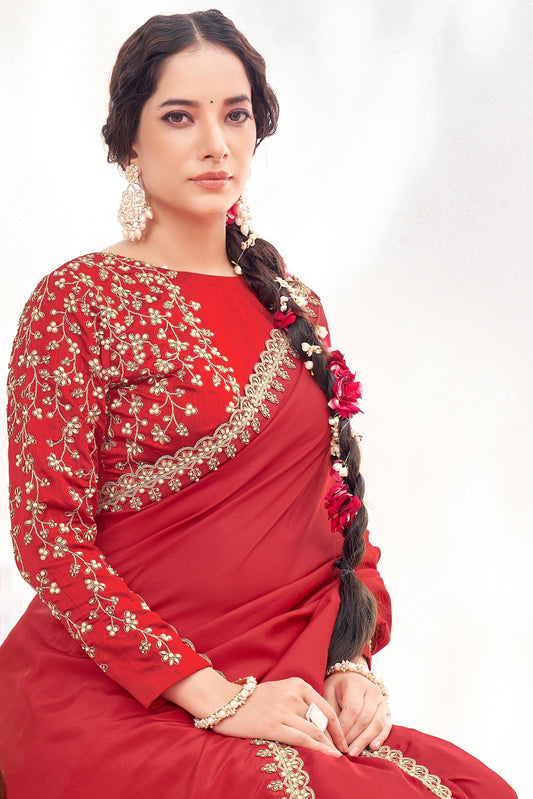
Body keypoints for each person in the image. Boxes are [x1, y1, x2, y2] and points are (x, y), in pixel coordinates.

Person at [0, 10, 517, 798]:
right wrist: (218, 697)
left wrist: (350, 662)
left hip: (281, 684)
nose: (216, 143)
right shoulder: (77, 301)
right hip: (111, 694)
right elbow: (48, 536)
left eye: (234, 114)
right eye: (180, 117)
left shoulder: (292, 309)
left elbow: (332, 523)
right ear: (129, 140)